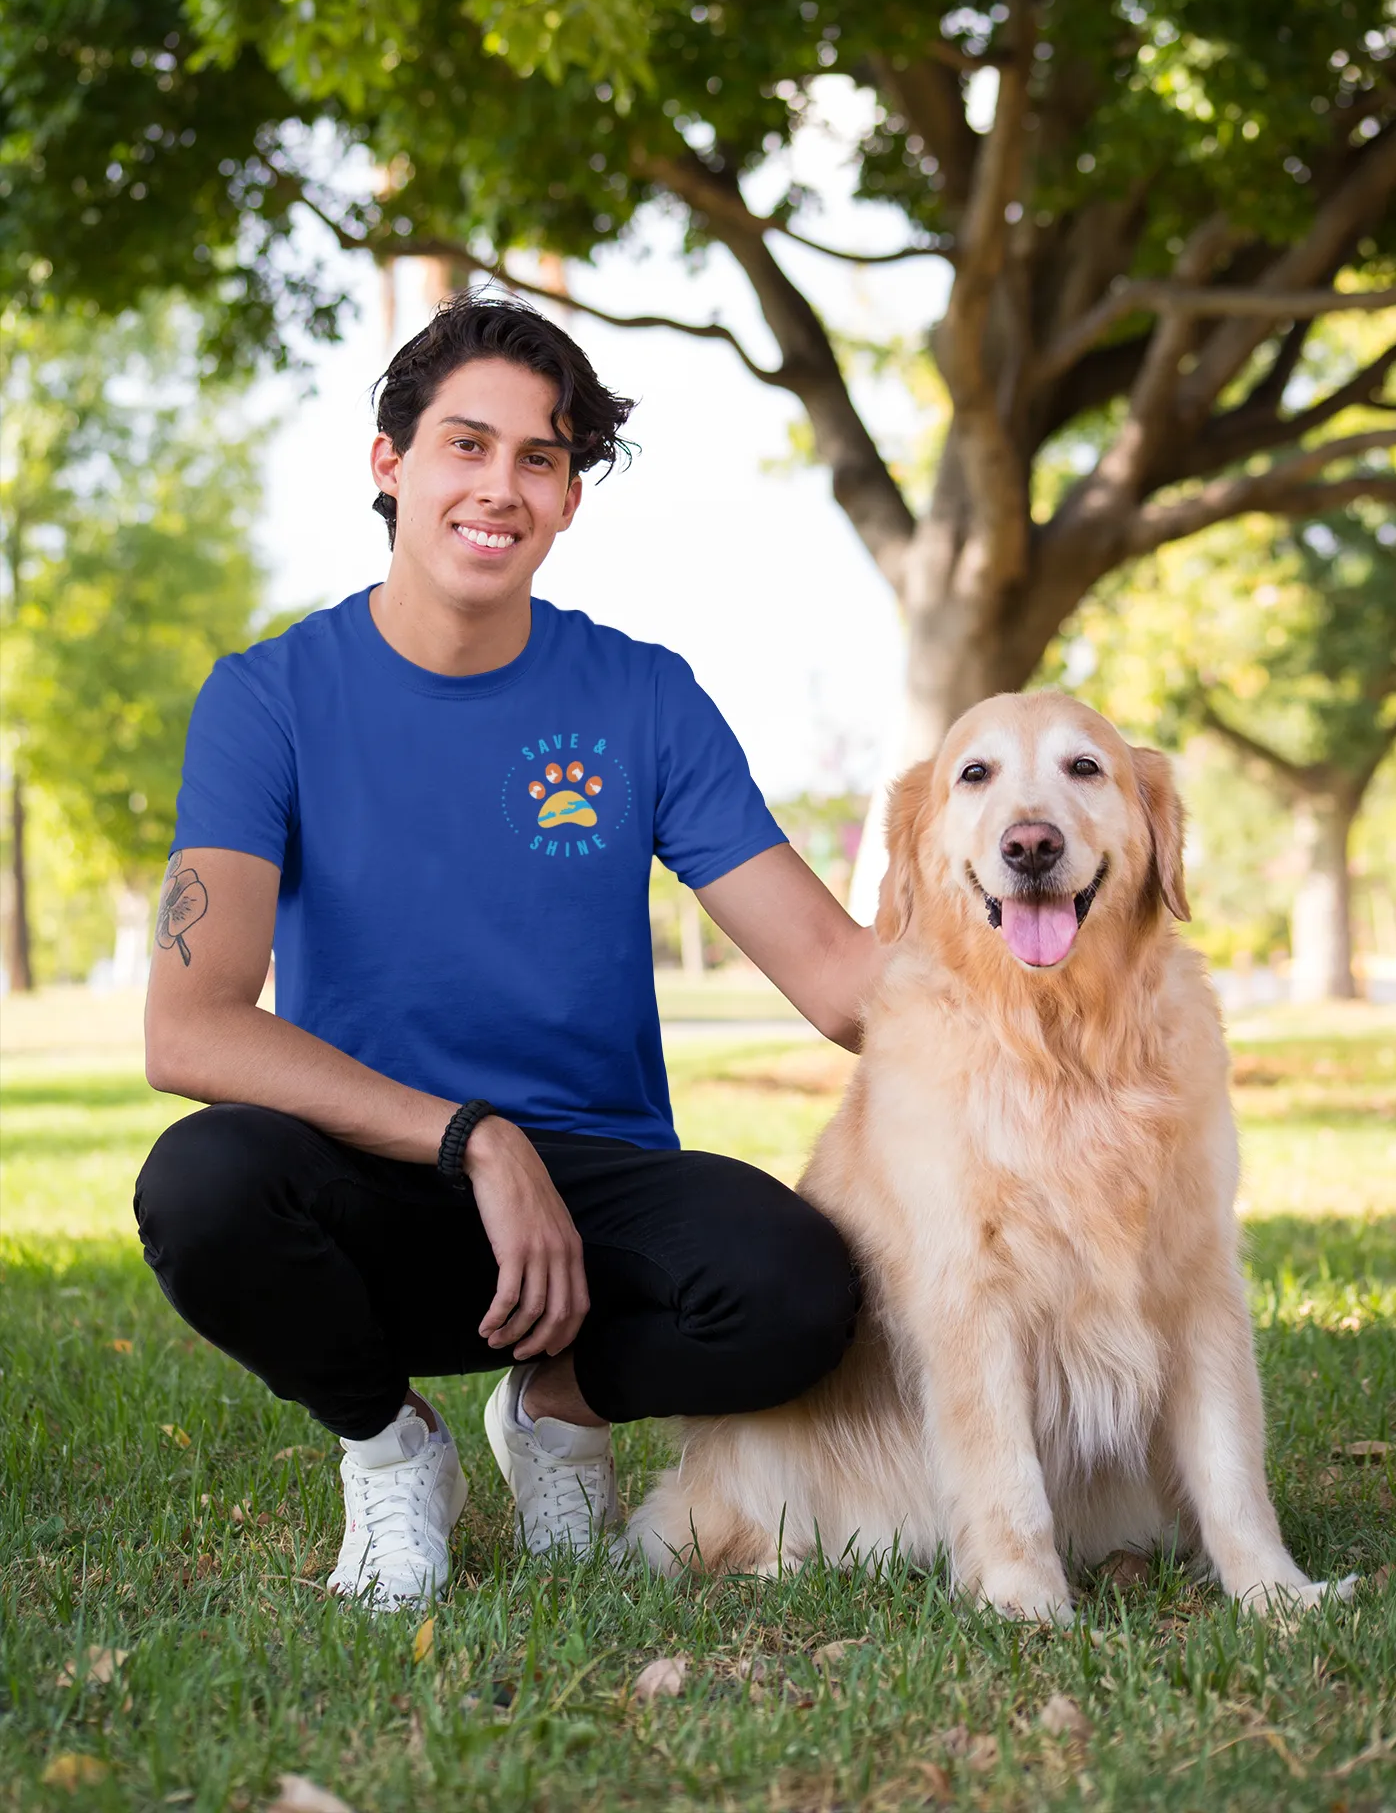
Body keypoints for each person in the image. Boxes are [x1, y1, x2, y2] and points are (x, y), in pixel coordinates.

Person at [136, 293, 880, 1609]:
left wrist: (1047, 947)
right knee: (202, 1187)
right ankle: (392, 1443)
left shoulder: (643, 696)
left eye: (542, 458)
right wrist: (474, 1136)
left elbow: (836, 977)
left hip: (591, 1211)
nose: (502, 487)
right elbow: (189, 1028)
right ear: (391, 463)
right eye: (466, 446)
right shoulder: (268, 699)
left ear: (572, 497)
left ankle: (558, 1406)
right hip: (375, 1176)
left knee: (800, 1292)